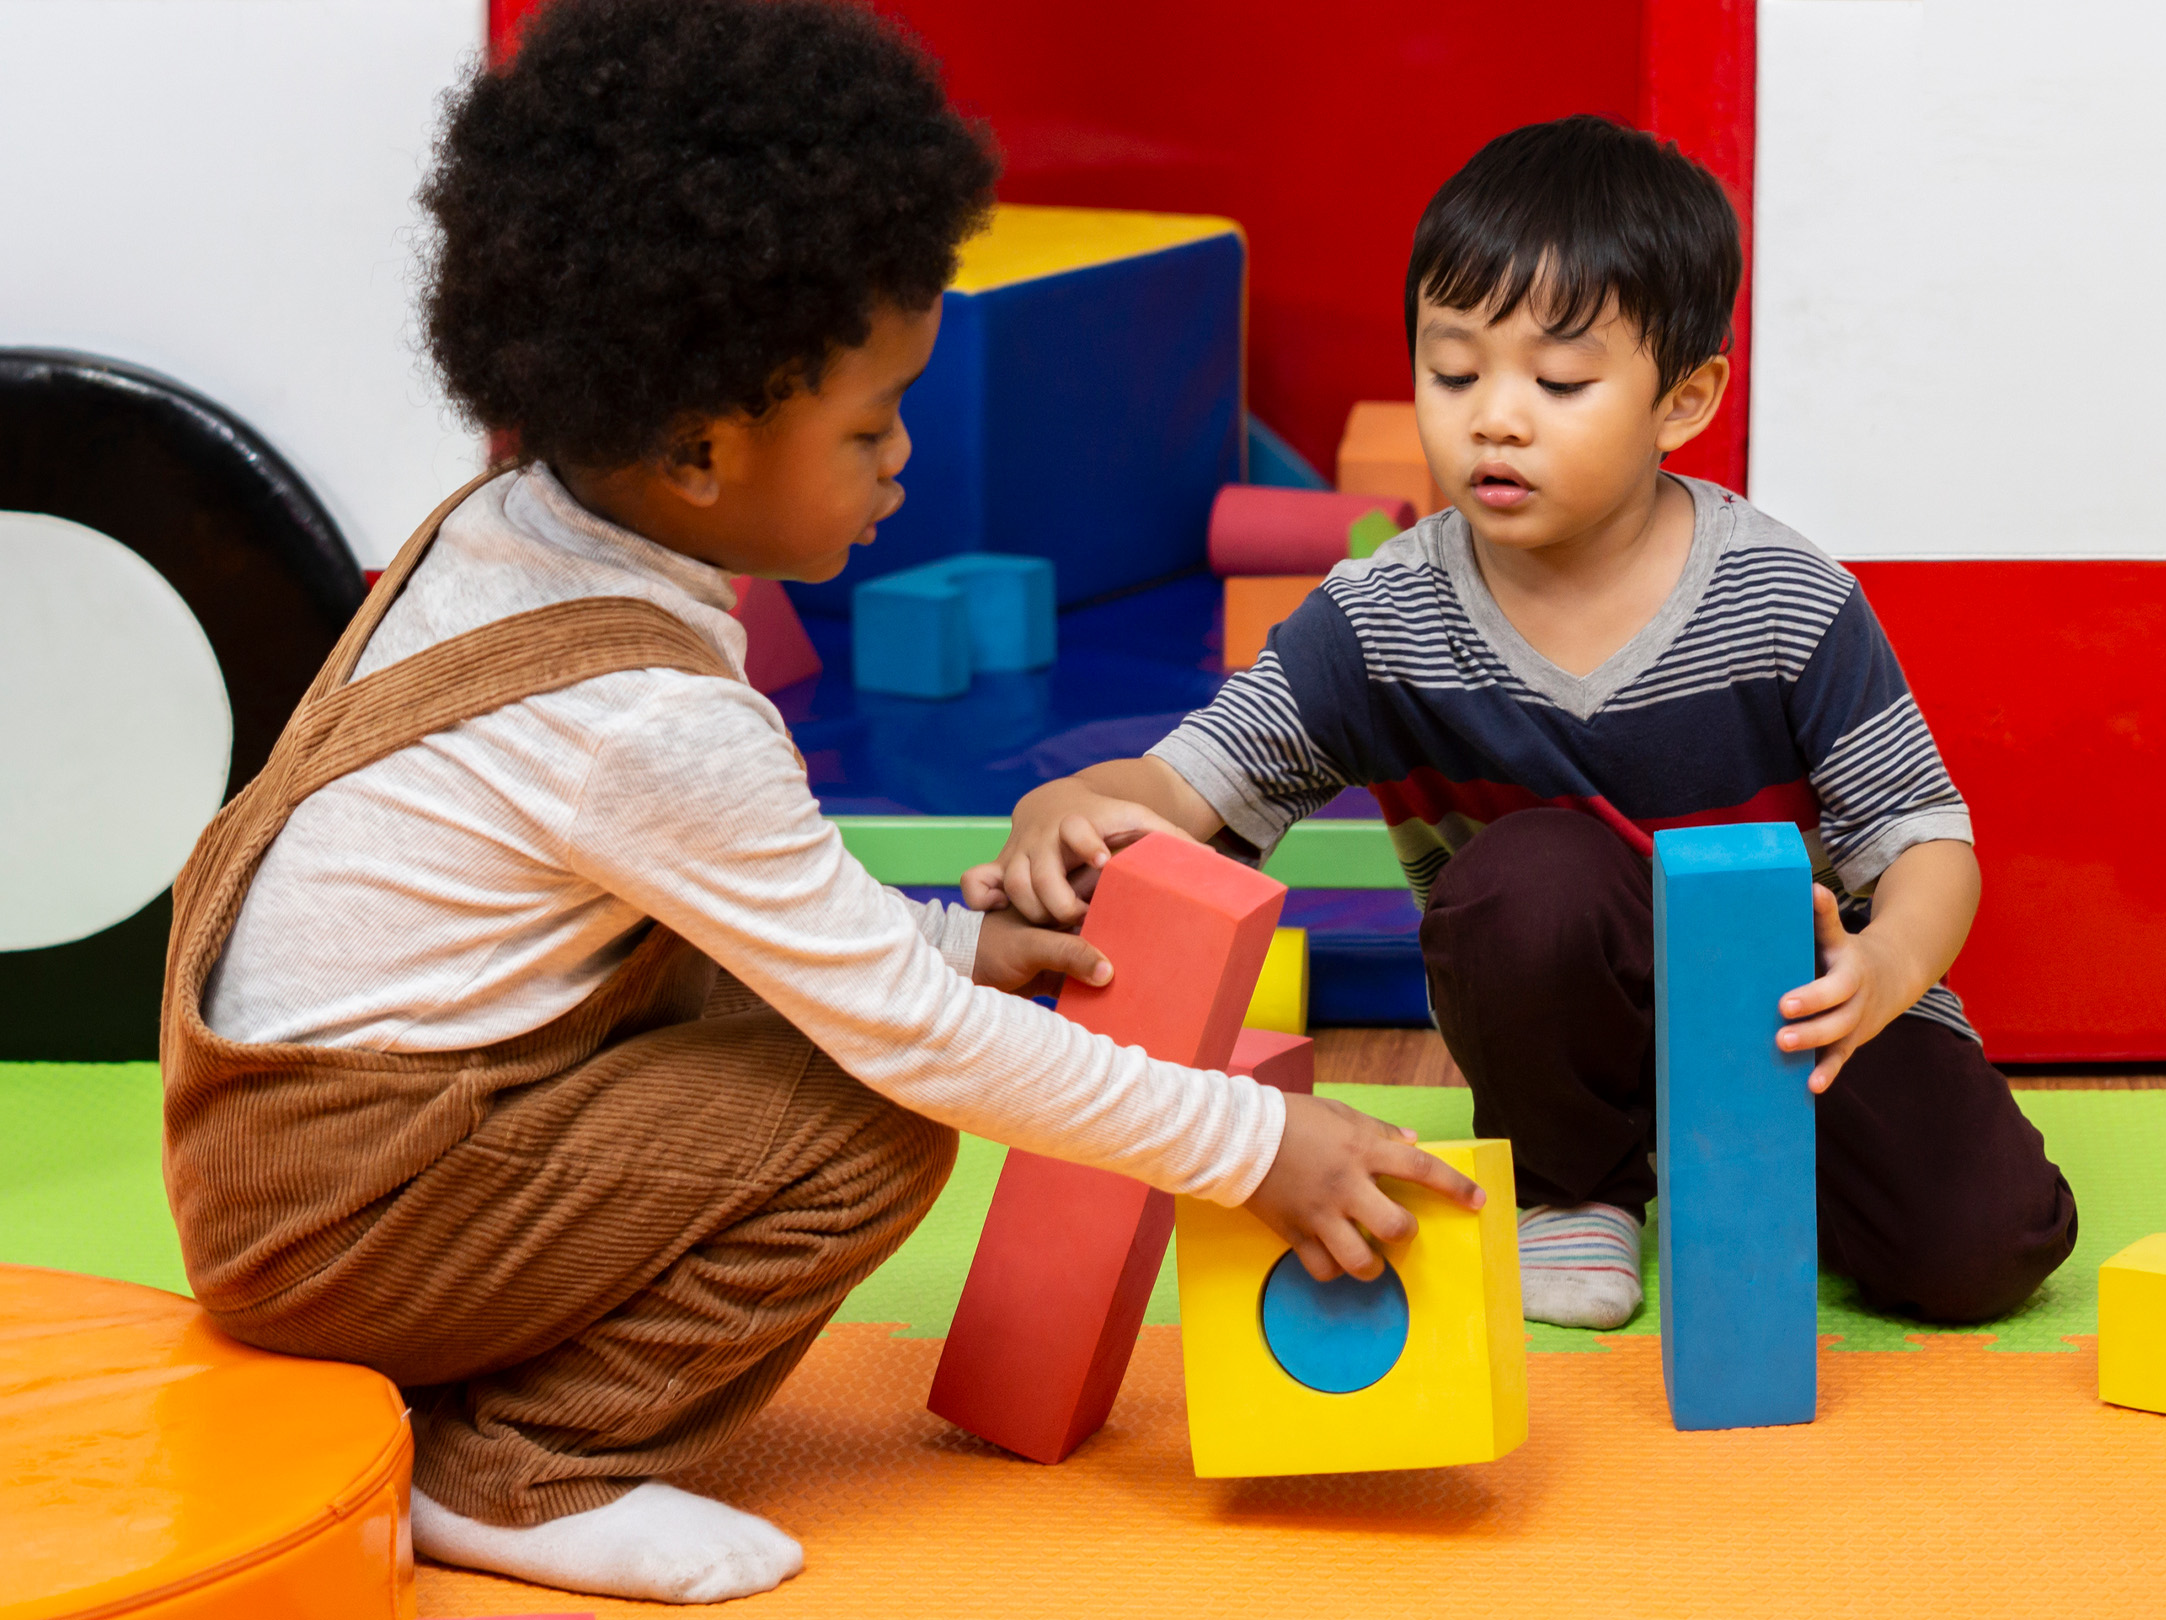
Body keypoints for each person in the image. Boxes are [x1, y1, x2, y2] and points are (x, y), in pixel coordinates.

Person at [156, 0, 1473, 1603]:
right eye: (871, 424)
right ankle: (524, 1467)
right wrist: (1249, 1140)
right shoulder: (645, 716)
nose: (905, 459)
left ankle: (480, 1371)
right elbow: (907, 1041)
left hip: (303, 1153)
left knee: (816, 1017)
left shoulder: (512, 527)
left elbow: (749, 915)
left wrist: (948, 939)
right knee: (869, 1111)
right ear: (703, 450)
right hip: (352, 1210)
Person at [982, 114, 2077, 1338]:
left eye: (1559, 384)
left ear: (1685, 397)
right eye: (1453, 374)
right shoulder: (1379, 616)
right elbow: (1185, 787)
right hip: (1554, 1010)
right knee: (1532, 874)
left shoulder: (1783, 595)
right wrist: (1067, 804)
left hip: (1798, 1005)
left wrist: (1887, 971)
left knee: (1989, 1251)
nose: (1496, 419)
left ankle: (1709, 1156)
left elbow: (1925, 840)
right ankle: (1574, 1184)